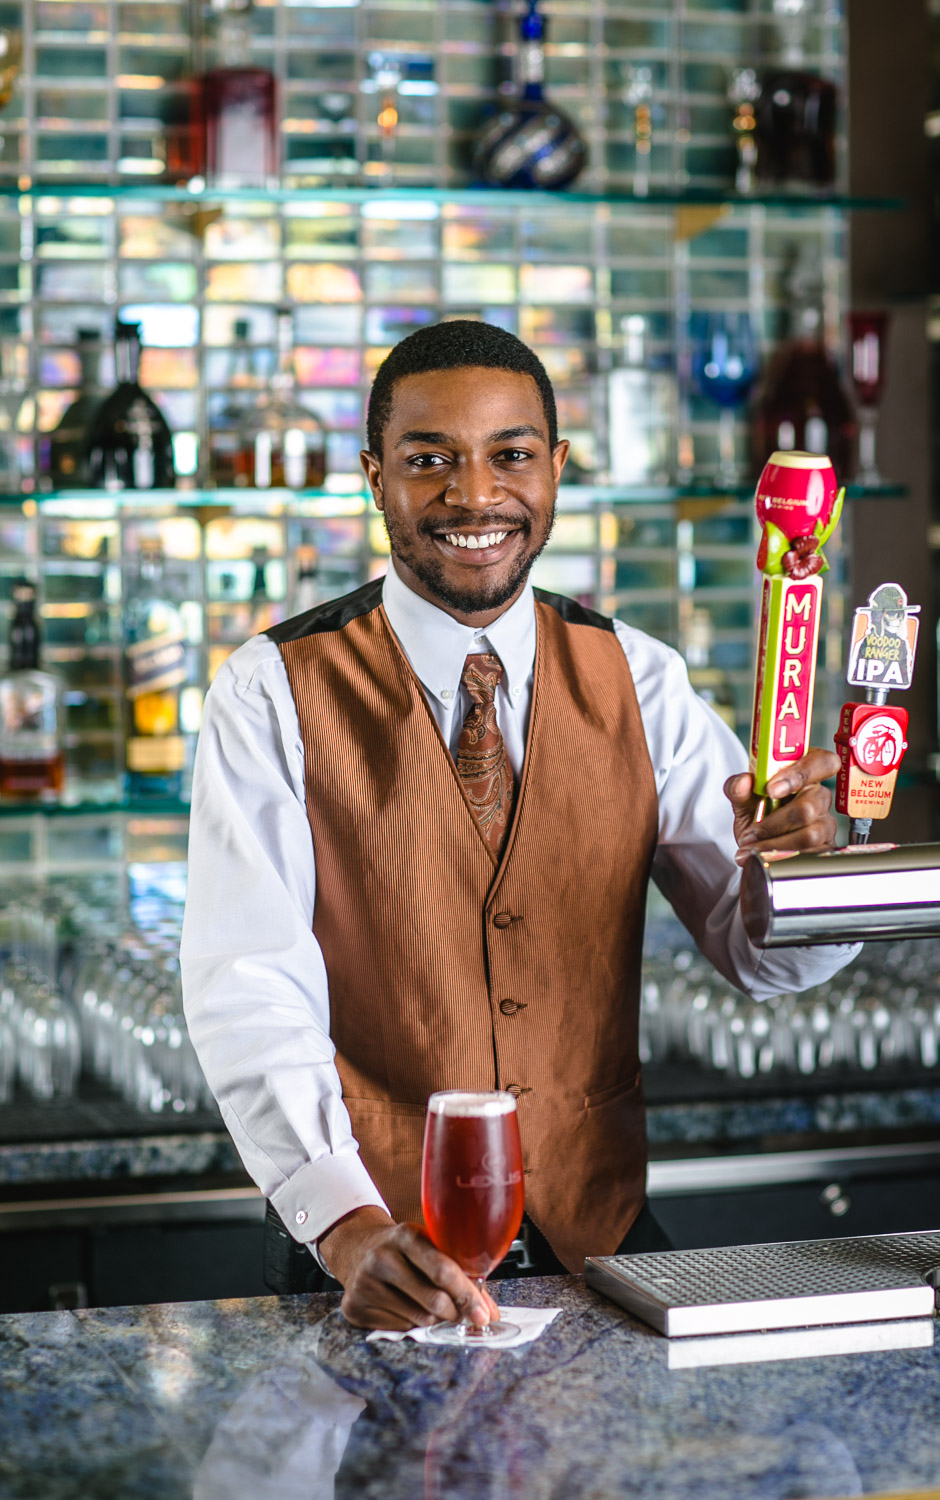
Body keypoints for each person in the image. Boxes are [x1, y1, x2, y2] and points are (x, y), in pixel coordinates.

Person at [180, 320, 855, 1333]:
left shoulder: (640, 678)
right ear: (374, 477)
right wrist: (343, 1223)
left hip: (606, 1244)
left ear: (557, 468)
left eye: (511, 455)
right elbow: (249, 986)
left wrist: (805, 866)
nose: (474, 495)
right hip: (378, 1258)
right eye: (427, 461)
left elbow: (765, 958)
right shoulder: (271, 691)